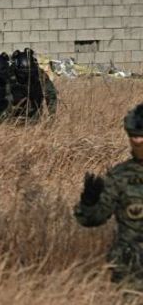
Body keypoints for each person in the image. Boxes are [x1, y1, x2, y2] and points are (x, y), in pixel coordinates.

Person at [75, 103, 143, 293]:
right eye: (133, 136)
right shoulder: (119, 175)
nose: (137, 141)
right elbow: (94, 218)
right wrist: (89, 202)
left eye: (142, 136)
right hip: (131, 269)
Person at [8, 47, 58, 121]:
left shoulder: (39, 73)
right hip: (11, 118)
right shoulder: (8, 74)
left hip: (34, 116)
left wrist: (52, 116)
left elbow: (51, 94)